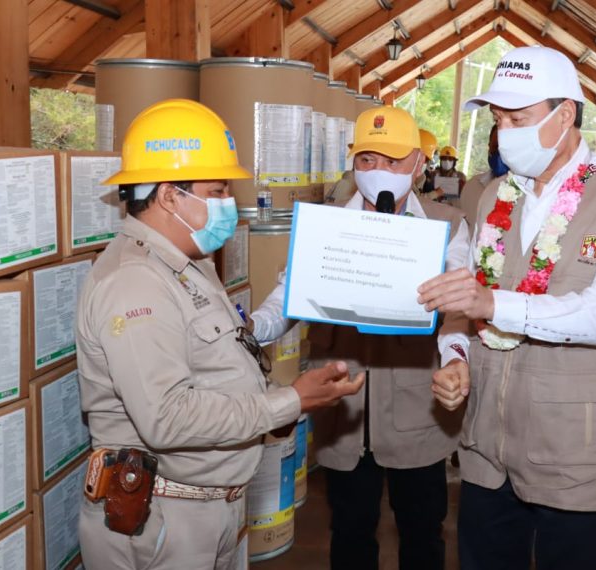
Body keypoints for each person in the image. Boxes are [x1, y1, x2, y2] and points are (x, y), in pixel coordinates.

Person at [76, 99, 364, 570]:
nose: (230, 201)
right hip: (164, 520)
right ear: (170, 195)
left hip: (212, 510)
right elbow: (166, 417)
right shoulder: (135, 282)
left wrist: (284, 403)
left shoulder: (187, 265)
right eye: (218, 188)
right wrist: (290, 401)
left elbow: (221, 369)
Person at [418, 46, 596, 570]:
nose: (504, 131)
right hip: (488, 450)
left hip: (578, 454)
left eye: (519, 118)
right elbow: (464, 298)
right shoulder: (491, 196)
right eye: (497, 119)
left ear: (566, 115)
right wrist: (455, 356)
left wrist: (491, 302)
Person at [251, 106, 470, 570]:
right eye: (368, 160)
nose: (379, 172)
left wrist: (455, 357)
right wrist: (249, 330)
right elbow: (288, 295)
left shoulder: (446, 224)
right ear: (353, 164)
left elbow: (458, 309)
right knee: (349, 528)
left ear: (417, 163)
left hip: (417, 404)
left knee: (422, 528)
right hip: (344, 404)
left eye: (393, 160)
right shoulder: (324, 225)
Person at [325, 128, 434, 204]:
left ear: (418, 162)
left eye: (391, 161)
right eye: (367, 160)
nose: (378, 170)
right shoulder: (346, 187)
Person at [460, 124, 507, 219]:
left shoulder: (528, 192)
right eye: (496, 146)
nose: (499, 152)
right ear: (489, 147)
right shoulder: (472, 186)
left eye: (505, 148)